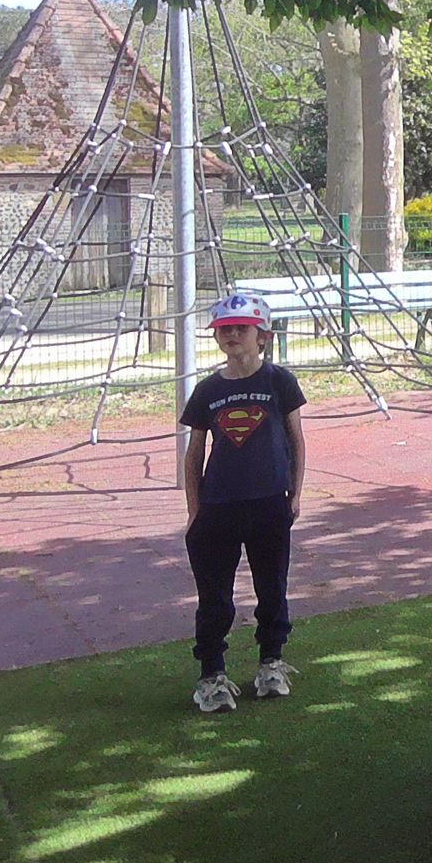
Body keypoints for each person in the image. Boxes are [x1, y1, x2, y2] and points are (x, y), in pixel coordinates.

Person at [179, 291, 306, 714]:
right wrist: (195, 509)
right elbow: (194, 453)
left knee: (272, 588)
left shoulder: (279, 382)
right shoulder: (208, 390)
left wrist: (295, 492)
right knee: (215, 596)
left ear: (262, 336)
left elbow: (295, 439)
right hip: (219, 506)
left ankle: (271, 663)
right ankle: (211, 675)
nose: (232, 335)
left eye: (241, 329)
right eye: (224, 330)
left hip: (269, 502)